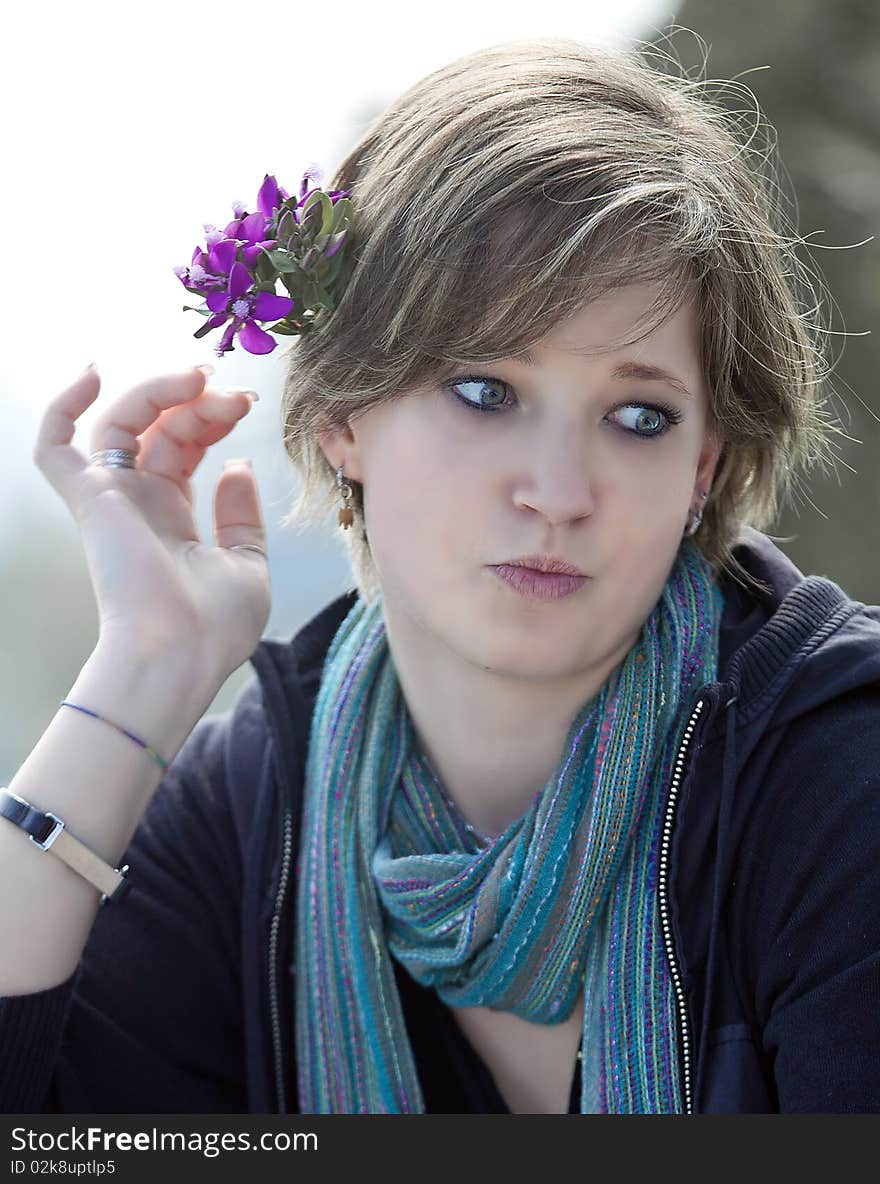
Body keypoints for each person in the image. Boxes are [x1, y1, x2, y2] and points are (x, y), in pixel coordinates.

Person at [2, 34, 879, 1116]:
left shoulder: (841, 771)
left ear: (699, 469)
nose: (557, 490)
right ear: (343, 418)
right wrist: (146, 665)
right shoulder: (254, 807)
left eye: (637, 415)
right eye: (483, 390)